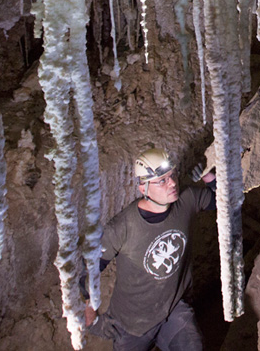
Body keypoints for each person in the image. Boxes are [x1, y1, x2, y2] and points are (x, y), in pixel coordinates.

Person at [85, 146, 216, 351]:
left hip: (173, 309)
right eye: (162, 180)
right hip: (131, 324)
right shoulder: (122, 227)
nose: (172, 183)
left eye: (172, 175)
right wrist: (90, 316)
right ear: (143, 188)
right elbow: (87, 270)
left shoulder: (187, 199)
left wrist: (208, 175)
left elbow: (223, 200)